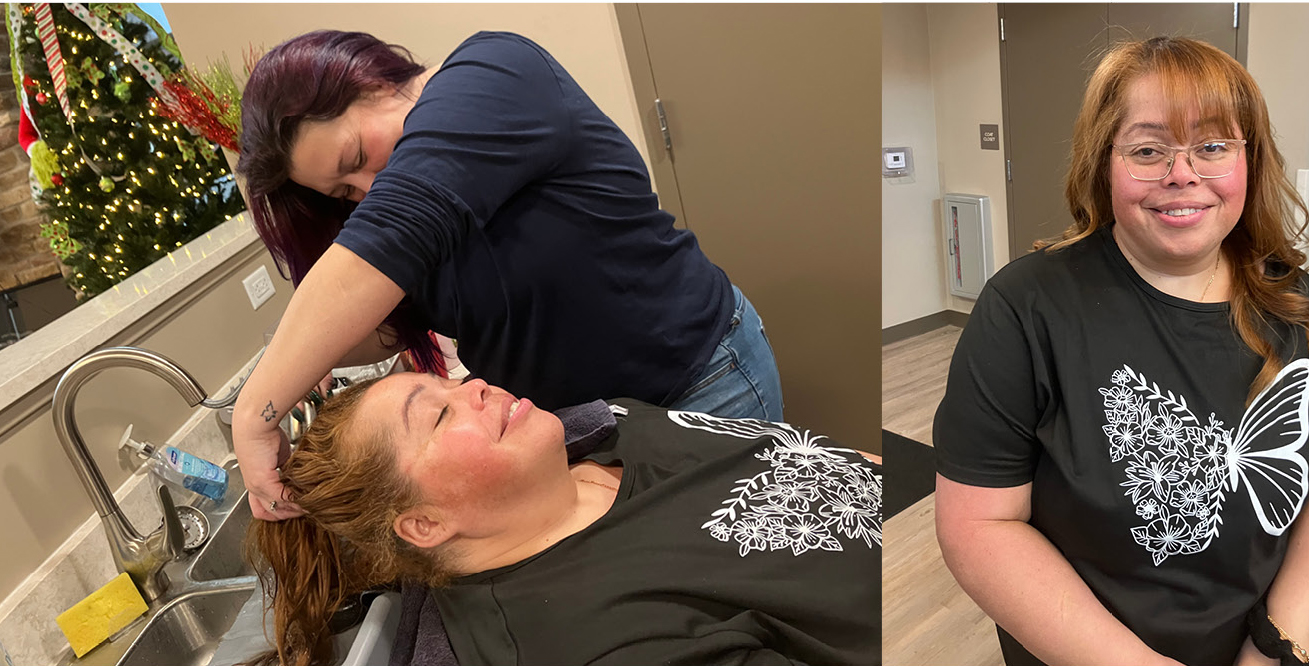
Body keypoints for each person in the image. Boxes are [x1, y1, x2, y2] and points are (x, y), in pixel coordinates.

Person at [932, 37, 1309, 666]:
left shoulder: (1299, 309)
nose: (1182, 174)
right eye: (1148, 150)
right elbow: (979, 526)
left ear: (1249, 162)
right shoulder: (1025, 308)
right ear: (1103, 163)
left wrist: (1276, 644)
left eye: (1214, 146)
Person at [232, 30, 783, 522]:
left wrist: (256, 415)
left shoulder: (493, 73)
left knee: (771, 567)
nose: (368, 189)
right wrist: (306, 362)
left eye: (356, 155)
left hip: (700, 387)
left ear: (373, 79)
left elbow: (395, 227)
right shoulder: (396, 221)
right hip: (592, 431)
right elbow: (390, 320)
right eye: (345, 192)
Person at [243, 374, 881, 666]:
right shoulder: (602, 639)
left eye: (449, 385)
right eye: (437, 416)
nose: (478, 388)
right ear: (426, 525)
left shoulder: (598, 434)